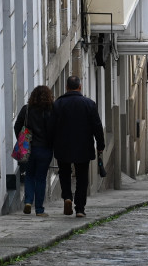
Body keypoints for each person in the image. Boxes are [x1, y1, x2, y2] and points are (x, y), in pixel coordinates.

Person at [53, 75, 105, 218]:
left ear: (66, 87)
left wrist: (52, 143)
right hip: (83, 146)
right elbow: (97, 126)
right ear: (80, 87)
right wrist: (100, 145)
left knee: (64, 173)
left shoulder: (57, 104)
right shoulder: (89, 104)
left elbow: (51, 126)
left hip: (62, 146)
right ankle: (80, 208)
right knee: (82, 177)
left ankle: (67, 197)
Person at [13, 85, 56, 217]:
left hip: (29, 148)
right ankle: (39, 209)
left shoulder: (26, 110)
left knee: (29, 176)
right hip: (45, 149)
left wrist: (22, 140)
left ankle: (27, 201)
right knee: (41, 178)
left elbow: (17, 126)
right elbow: (55, 129)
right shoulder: (51, 111)